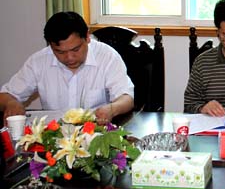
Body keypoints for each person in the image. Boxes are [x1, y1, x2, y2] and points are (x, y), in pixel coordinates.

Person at [0, 12, 134, 125]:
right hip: (54, 136)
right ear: (50, 45)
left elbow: (126, 98)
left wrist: (111, 109)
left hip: (95, 133)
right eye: (60, 52)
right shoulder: (39, 61)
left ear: (87, 37)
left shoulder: (107, 56)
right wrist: (11, 103)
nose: (69, 58)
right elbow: (4, 95)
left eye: (76, 49)